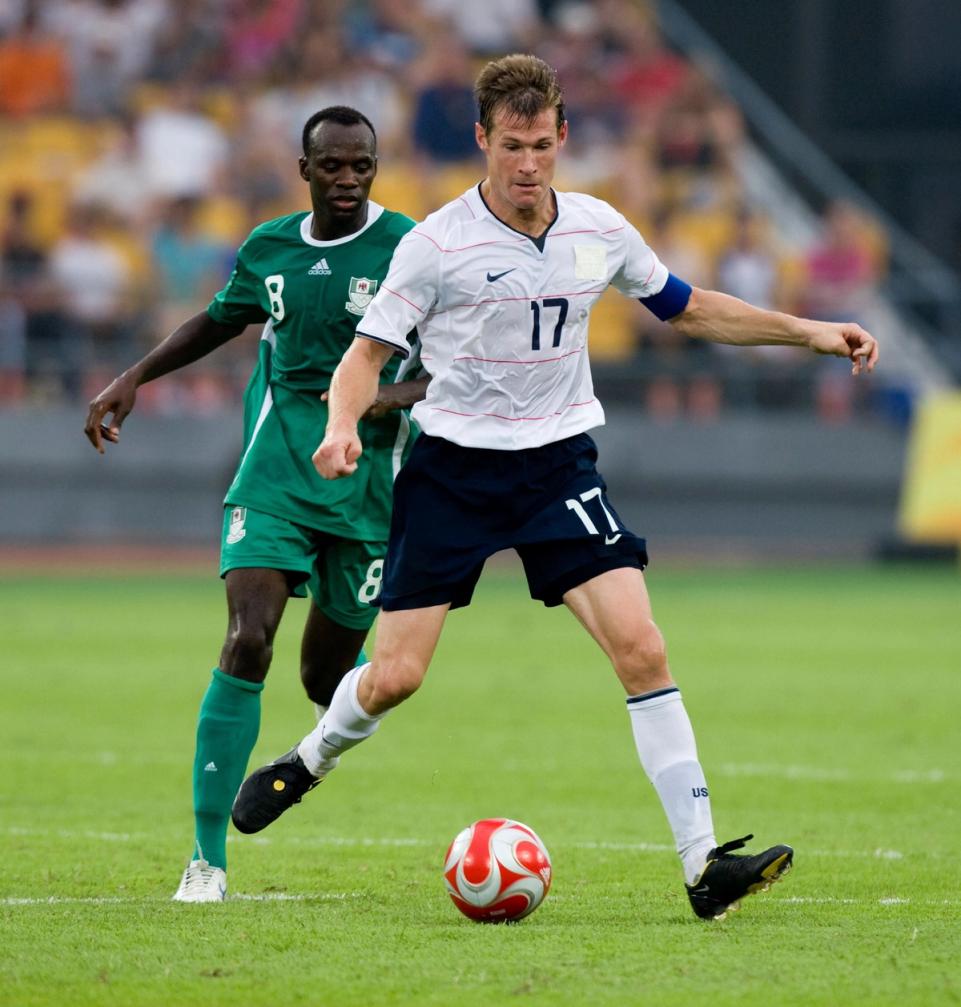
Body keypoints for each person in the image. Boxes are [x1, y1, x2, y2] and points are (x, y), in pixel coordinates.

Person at [232, 56, 878, 920]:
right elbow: (365, 357)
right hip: (452, 472)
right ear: (481, 142)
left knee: (642, 648)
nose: (527, 164)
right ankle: (307, 760)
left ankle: (702, 867)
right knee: (393, 678)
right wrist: (343, 426)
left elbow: (686, 307)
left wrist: (808, 331)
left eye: (541, 145)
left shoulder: (598, 229)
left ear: (562, 138)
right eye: (510, 146)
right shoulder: (437, 244)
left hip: (555, 468)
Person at [84, 106, 427, 902]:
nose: (347, 179)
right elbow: (218, 319)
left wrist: (378, 401)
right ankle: (206, 859)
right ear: (303, 168)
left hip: (369, 480)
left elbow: (450, 368)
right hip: (276, 467)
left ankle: (304, 759)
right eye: (332, 166)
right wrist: (134, 375)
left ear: (374, 167)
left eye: (360, 166)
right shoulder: (270, 246)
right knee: (248, 637)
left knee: (326, 675)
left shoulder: (412, 248)